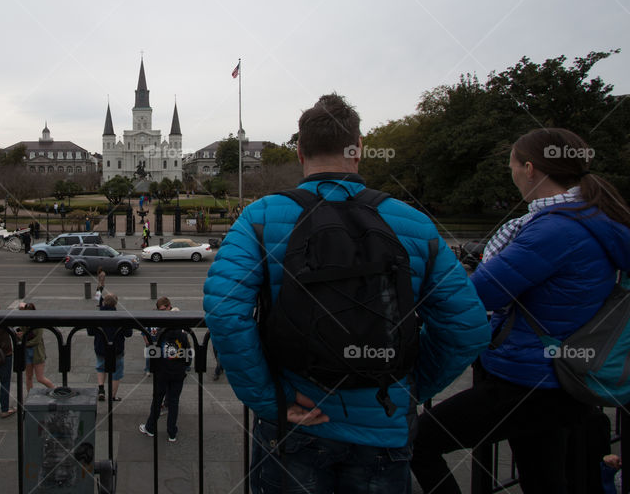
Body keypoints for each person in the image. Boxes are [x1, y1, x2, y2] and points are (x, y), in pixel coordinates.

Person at [204, 94, 490, 493]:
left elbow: (224, 312)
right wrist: (408, 385)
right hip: (383, 425)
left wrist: (272, 400)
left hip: (297, 422)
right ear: (358, 149)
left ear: (300, 151)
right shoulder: (413, 222)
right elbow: (469, 328)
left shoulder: (261, 216)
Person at [411, 127, 630, 494]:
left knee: (421, 440)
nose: (511, 174)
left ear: (530, 169)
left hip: (530, 379)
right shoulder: (593, 217)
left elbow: (481, 294)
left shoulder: (555, 229)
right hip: (567, 377)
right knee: (544, 479)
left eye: (512, 165)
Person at [139, 313, 191, 442]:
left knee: (157, 399)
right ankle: (171, 432)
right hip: (178, 373)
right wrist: (184, 366)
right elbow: (188, 355)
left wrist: (154, 367)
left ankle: (150, 427)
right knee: (174, 402)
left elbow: (154, 352)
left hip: (162, 372)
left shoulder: (161, 334)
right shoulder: (183, 336)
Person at [87, 293, 131, 402]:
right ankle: (112, 396)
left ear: (104, 302)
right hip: (116, 349)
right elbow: (128, 333)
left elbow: (90, 332)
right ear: (115, 304)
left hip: (101, 347)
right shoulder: (121, 317)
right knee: (116, 373)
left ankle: (101, 388)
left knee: (101, 367)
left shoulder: (96, 316)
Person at [19, 303, 55, 391]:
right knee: (28, 376)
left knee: (40, 378)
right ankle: (29, 396)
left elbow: (37, 340)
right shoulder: (23, 322)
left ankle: (55, 390)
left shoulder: (38, 323)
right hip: (27, 352)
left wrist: (24, 341)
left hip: (37, 352)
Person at [143, 297, 171, 375]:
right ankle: (148, 369)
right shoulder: (153, 318)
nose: (162, 312)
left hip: (164, 341)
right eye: (160, 310)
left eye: (164, 309)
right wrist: (147, 342)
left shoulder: (172, 315)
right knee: (149, 356)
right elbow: (144, 332)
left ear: (169, 307)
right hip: (152, 341)